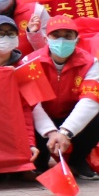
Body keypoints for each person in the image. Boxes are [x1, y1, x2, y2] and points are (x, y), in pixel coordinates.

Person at [24, 14, 99, 177]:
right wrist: (51, 132)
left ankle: (77, 160)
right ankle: (39, 160)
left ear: (77, 40)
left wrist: (65, 132)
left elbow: (90, 100)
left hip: (72, 117)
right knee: (24, 115)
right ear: (46, 39)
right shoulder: (29, 62)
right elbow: (33, 104)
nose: (62, 40)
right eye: (56, 35)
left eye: (67, 36)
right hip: (42, 119)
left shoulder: (91, 63)